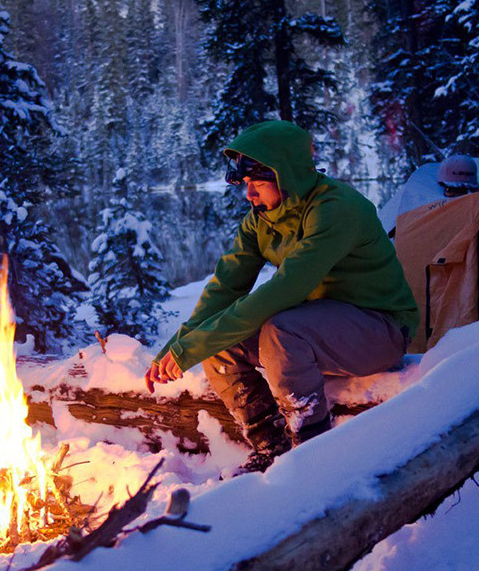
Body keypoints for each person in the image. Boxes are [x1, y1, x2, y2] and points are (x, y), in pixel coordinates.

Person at [145, 120, 419, 472]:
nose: (250, 195)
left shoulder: (336, 209)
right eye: (246, 184)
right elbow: (226, 288)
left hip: (380, 330)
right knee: (219, 343)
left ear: (286, 177)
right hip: (320, 329)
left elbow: (285, 290)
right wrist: (179, 344)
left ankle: (312, 453)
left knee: (280, 329)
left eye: (258, 184)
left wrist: (192, 346)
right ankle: (270, 447)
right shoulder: (261, 219)